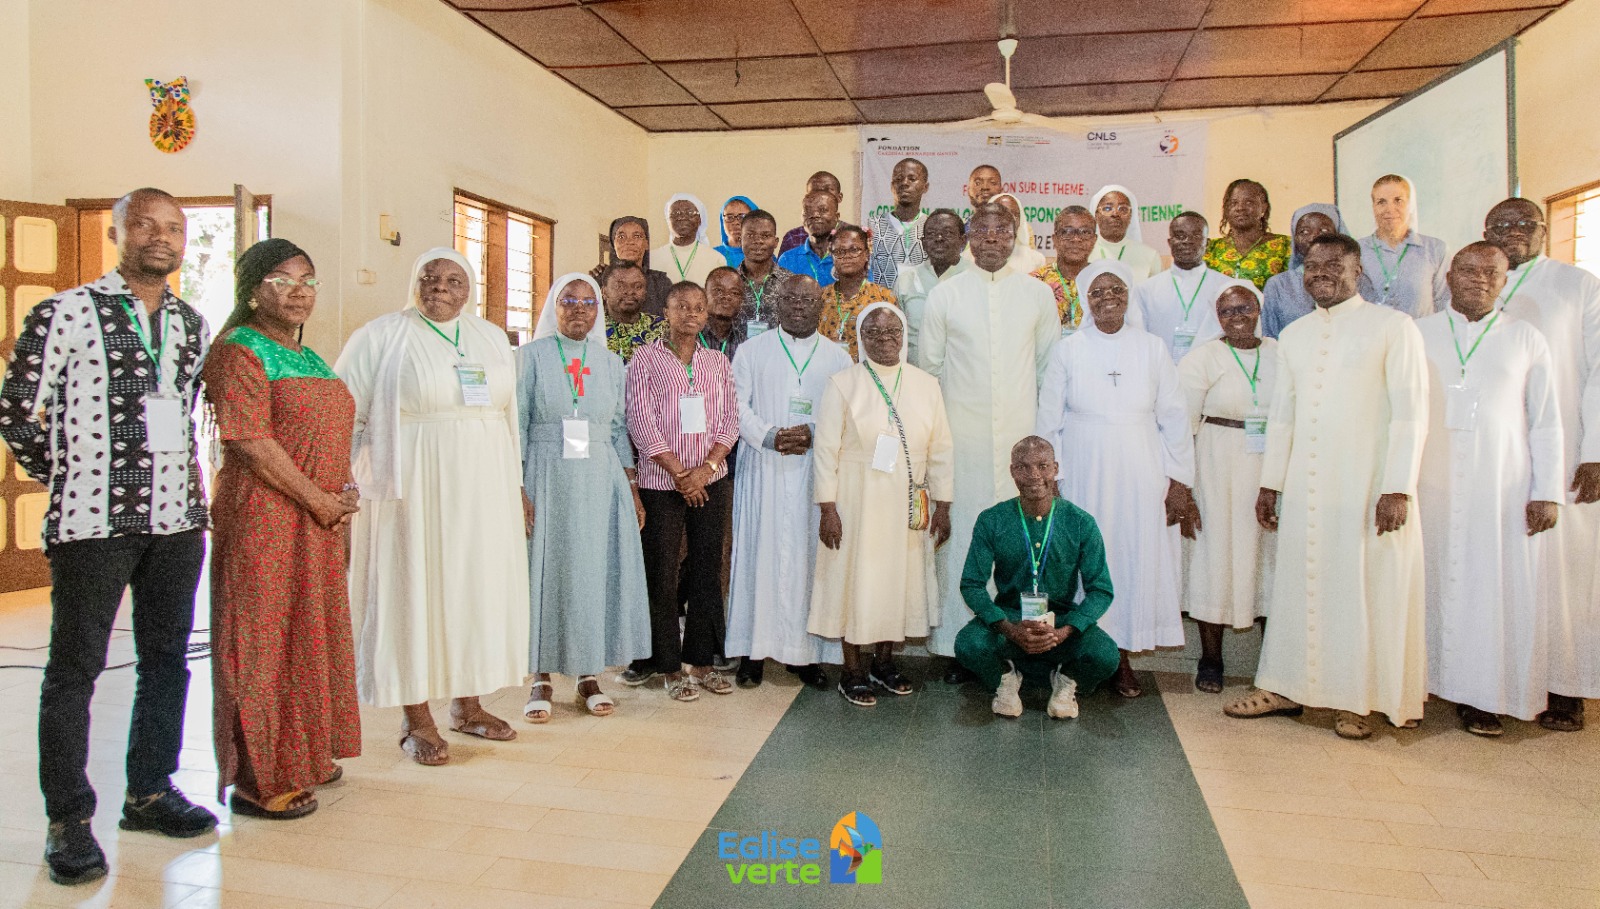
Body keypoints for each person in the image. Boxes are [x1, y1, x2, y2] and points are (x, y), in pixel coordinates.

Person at [0, 188, 216, 884]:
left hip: (176, 519)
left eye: (173, 227)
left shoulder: (189, 323)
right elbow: (15, 409)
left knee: (167, 661)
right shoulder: (63, 312)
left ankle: (149, 791)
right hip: (92, 522)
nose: (161, 236)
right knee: (75, 670)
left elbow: (184, 412)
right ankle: (68, 820)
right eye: (144, 224)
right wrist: (67, 471)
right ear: (118, 233)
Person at [1226, 233, 1429, 740]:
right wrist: (1271, 484)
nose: (1321, 273)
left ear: (1358, 272)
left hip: (1366, 485)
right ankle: (1284, 687)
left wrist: (1397, 486)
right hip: (1304, 485)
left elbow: (1411, 413)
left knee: (1359, 588)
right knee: (1298, 584)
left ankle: (1358, 700)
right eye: (1312, 266)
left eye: (1334, 265)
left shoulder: (1393, 327)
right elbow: (1283, 417)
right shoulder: (1295, 335)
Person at [336, 248, 529, 765]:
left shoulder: (490, 337)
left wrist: (514, 485)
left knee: (471, 591)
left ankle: (468, 705)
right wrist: (348, 483)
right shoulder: (381, 336)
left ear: (469, 289)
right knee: (413, 591)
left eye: (453, 279)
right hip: (412, 488)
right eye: (430, 277)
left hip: (484, 489)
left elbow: (508, 417)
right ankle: (415, 718)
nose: (440, 286)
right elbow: (343, 415)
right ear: (414, 283)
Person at [203, 239, 360, 821]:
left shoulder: (306, 355)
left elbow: (326, 433)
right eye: (282, 280)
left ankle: (304, 753)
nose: (299, 291)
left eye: (308, 280)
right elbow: (250, 440)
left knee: (308, 634)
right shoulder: (238, 350)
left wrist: (341, 492)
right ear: (252, 289)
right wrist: (318, 498)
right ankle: (259, 778)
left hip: (317, 517)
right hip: (265, 515)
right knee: (263, 640)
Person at [1416, 243, 1562, 735]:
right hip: (1431, 483)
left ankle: (1482, 697)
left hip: (1500, 485)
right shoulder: (1419, 333)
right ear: (1450, 277)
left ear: (1504, 282)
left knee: (1488, 589)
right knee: (1427, 581)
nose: (1480, 279)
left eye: (1491, 273)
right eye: (1469, 270)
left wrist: (1547, 491)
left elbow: (1546, 420)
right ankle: (1416, 686)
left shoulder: (1525, 338)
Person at [1036, 260, 1197, 699]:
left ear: (1129, 296)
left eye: (1116, 290)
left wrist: (1179, 482)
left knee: (1130, 559)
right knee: (1086, 560)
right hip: (1084, 469)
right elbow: (1049, 420)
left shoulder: (1152, 348)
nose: (1107, 298)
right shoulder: (1069, 349)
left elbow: (1175, 418)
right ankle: (1082, 655)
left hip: (1141, 470)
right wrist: (1052, 478)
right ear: (1085, 300)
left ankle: (1122, 656)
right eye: (1097, 292)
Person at [919, 203, 1059, 684]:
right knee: (961, 540)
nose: (993, 237)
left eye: (1003, 229)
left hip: (1021, 444)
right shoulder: (945, 295)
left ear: (1016, 235)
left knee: (1022, 543)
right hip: (963, 442)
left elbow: (1047, 372)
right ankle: (959, 648)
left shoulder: (1037, 295)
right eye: (983, 229)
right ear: (969, 238)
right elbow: (929, 373)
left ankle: (1026, 647)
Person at [1485, 197, 1600, 731]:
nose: (1514, 231)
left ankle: (1565, 685)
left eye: (1524, 223)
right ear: (1486, 231)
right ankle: (1493, 682)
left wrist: (1595, 451)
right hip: (1496, 455)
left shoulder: (1577, 286)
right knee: (1499, 568)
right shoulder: (1475, 282)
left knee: (1565, 573)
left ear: (1544, 231)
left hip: (1567, 451)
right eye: (1501, 224)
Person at [518, 273, 648, 722]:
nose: (579, 309)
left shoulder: (610, 363)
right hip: (546, 473)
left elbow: (618, 429)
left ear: (599, 311)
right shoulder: (530, 356)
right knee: (544, 571)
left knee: (592, 572)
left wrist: (631, 487)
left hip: (599, 478)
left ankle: (589, 675)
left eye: (588, 302)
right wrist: (518, 487)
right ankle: (540, 677)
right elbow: (516, 423)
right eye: (568, 300)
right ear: (553, 307)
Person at [810, 304, 954, 706]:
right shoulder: (843, 383)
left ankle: (884, 663)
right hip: (856, 498)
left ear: (904, 335)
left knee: (897, 581)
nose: (884, 339)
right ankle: (852, 670)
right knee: (854, 580)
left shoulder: (926, 384)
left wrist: (943, 504)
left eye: (893, 331)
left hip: (907, 500)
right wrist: (827, 507)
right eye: (873, 333)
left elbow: (941, 448)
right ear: (860, 338)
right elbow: (825, 450)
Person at [727, 275, 853, 688]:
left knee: (807, 562)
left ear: (822, 305)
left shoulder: (839, 358)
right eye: (791, 298)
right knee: (756, 557)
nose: (799, 306)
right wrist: (769, 435)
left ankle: (804, 655)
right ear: (776, 303)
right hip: (763, 468)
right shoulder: (751, 351)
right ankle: (752, 653)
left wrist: (815, 431)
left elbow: (847, 413)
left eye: (808, 299)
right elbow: (735, 405)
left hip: (812, 472)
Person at [624, 282, 740, 700]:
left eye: (699, 308)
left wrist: (705, 470)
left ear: (706, 315)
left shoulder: (717, 362)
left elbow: (730, 420)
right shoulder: (644, 358)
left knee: (707, 570)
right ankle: (669, 667)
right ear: (666, 312)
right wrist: (680, 474)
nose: (691, 314)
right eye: (682, 307)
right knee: (662, 572)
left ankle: (701, 662)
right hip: (661, 483)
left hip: (710, 481)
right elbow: (641, 421)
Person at [955, 437, 1120, 719]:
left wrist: (1066, 630)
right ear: (1012, 471)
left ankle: (1065, 679)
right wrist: (1009, 629)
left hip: (1062, 623)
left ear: (1055, 468)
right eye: (1023, 467)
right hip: (1010, 619)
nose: (1033, 475)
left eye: (1042, 466)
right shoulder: (992, 520)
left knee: (1106, 655)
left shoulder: (1081, 522)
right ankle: (1007, 678)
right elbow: (972, 585)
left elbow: (1101, 590)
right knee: (968, 644)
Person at [1178, 282, 1279, 693]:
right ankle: (1211, 660)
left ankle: (1274, 663)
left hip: (1269, 465)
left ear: (1259, 309)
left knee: (1269, 557)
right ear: (1216, 317)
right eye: (1226, 311)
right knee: (1213, 556)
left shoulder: (1281, 354)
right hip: (1216, 463)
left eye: (1244, 308)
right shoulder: (1202, 358)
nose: (1236, 317)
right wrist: (1183, 487)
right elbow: (1182, 427)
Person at [1131, 212, 1230, 361]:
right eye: (1180, 235)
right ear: (1169, 242)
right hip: (1161, 370)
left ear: (1207, 243)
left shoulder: (1225, 288)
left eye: (1196, 236)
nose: (1187, 241)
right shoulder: (1145, 290)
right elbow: (1140, 342)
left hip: (1212, 371)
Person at [1261, 203, 1369, 339]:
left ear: (1338, 233)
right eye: (1304, 232)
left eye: (1323, 230)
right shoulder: (1278, 285)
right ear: (1294, 238)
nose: (1314, 238)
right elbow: (1268, 338)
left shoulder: (1357, 279)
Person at [1361, 174, 1448, 319]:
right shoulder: (1357, 251)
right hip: (1373, 333)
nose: (1390, 209)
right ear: (1373, 207)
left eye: (1398, 200)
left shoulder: (1435, 250)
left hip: (1421, 333)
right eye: (1381, 202)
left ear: (1410, 205)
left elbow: (1444, 306)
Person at [897, 210, 970, 365]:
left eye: (947, 233)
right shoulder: (906, 281)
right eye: (931, 234)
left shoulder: (976, 279)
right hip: (917, 375)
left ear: (963, 241)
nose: (939, 238)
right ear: (923, 243)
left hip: (964, 374)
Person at [818, 225, 897, 360]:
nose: (847, 256)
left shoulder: (884, 298)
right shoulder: (820, 297)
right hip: (826, 369)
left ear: (866, 254)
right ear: (832, 256)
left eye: (854, 250)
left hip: (868, 371)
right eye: (839, 251)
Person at [1203, 179, 1291, 290]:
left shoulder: (1285, 246)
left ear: (1263, 207)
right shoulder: (1210, 249)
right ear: (1227, 209)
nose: (1240, 208)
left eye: (1249, 202)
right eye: (1234, 203)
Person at [867, 157, 930, 290]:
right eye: (898, 179)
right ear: (892, 186)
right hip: (882, 301)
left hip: (923, 301)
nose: (904, 183)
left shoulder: (931, 227)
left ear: (925, 187)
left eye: (912, 179)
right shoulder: (873, 226)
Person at [1033, 206, 1097, 336]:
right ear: (1055, 239)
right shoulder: (1035, 282)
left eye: (1085, 232)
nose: (1076, 239)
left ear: (1094, 240)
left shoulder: (1103, 283)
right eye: (1067, 232)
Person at [592, 216, 672, 317]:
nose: (629, 242)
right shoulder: (599, 280)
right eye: (621, 237)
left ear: (646, 243)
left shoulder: (660, 283)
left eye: (637, 236)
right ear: (613, 244)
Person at [735, 209, 794, 338]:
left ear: (776, 242)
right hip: (736, 351)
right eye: (750, 235)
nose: (758, 241)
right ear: (740, 240)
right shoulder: (730, 282)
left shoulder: (790, 283)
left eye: (765, 236)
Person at [1088, 184, 1162, 281]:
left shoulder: (1150, 256)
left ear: (1131, 216)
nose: (1115, 214)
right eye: (1107, 208)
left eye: (1123, 209)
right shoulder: (1083, 252)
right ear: (1096, 215)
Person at [602, 261, 665, 363]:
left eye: (637, 286)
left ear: (645, 292)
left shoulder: (663, 328)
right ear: (604, 292)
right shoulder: (592, 329)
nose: (630, 291)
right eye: (620, 286)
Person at [777, 190, 840, 287]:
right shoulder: (788, 259)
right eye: (808, 211)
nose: (815, 215)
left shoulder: (849, 257)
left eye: (823, 210)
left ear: (837, 217)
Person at [655, 194, 718, 286]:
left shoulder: (716, 259)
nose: (682, 217)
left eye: (689, 212)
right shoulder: (654, 258)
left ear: (700, 220)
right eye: (675, 213)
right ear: (668, 220)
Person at [781, 172, 843, 256]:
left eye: (826, 191)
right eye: (814, 192)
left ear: (839, 197)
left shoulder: (854, 236)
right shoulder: (793, 237)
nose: (820, 197)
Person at [988, 192, 1047, 272]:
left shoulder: (1036, 260)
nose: (1010, 220)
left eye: (1015, 215)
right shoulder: (973, 258)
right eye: (1002, 214)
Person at [700, 266, 747, 360]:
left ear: (742, 301)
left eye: (734, 293)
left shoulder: (746, 343)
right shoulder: (688, 336)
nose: (726, 296)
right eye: (719, 290)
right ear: (704, 294)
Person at [715, 195, 759, 268]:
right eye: (729, 217)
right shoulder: (713, 255)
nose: (735, 222)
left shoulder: (764, 257)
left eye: (742, 217)